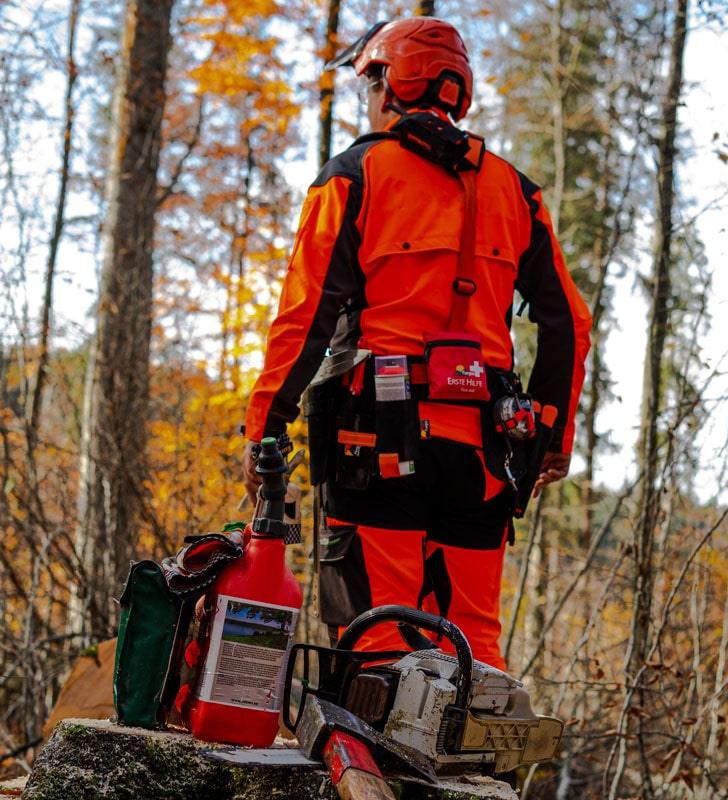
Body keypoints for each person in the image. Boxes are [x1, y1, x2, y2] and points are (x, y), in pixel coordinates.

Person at [242, 17, 591, 670]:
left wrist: (265, 426)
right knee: (472, 642)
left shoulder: (354, 176)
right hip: (485, 446)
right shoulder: (518, 193)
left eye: (369, 83)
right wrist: (550, 435)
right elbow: (569, 322)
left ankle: (373, 765)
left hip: (375, 437)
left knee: (377, 631)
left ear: (386, 82)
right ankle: (472, 767)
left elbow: (304, 317)